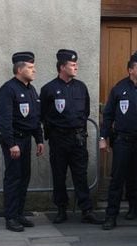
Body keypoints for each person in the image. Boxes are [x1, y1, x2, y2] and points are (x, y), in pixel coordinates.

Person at [40, 49, 103, 225]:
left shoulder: (81, 87)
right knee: (59, 175)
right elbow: (43, 114)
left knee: (80, 175)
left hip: (77, 139)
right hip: (58, 139)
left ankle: (86, 210)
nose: (76, 67)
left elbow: (86, 110)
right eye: (72, 65)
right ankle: (61, 209)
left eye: (76, 64)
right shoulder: (48, 89)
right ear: (62, 67)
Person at [99, 50, 137, 230]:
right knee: (117, 180)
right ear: (130, 69)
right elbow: (108, 115)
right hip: (122, 140)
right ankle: (111, 216)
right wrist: (103, 137)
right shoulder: (119, 88)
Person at [0, 51, 45, 232]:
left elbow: (34, 117)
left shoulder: (31, 89)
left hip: (26, 140)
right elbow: (4, 120)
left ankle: (18, 213)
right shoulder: (8, 89)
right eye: (30, 67)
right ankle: (10, 217)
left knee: (24, 178)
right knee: (13, 178)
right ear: (19, 69)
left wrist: (39, 139)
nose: (34, 71)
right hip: (14, 140)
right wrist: (11, 143)